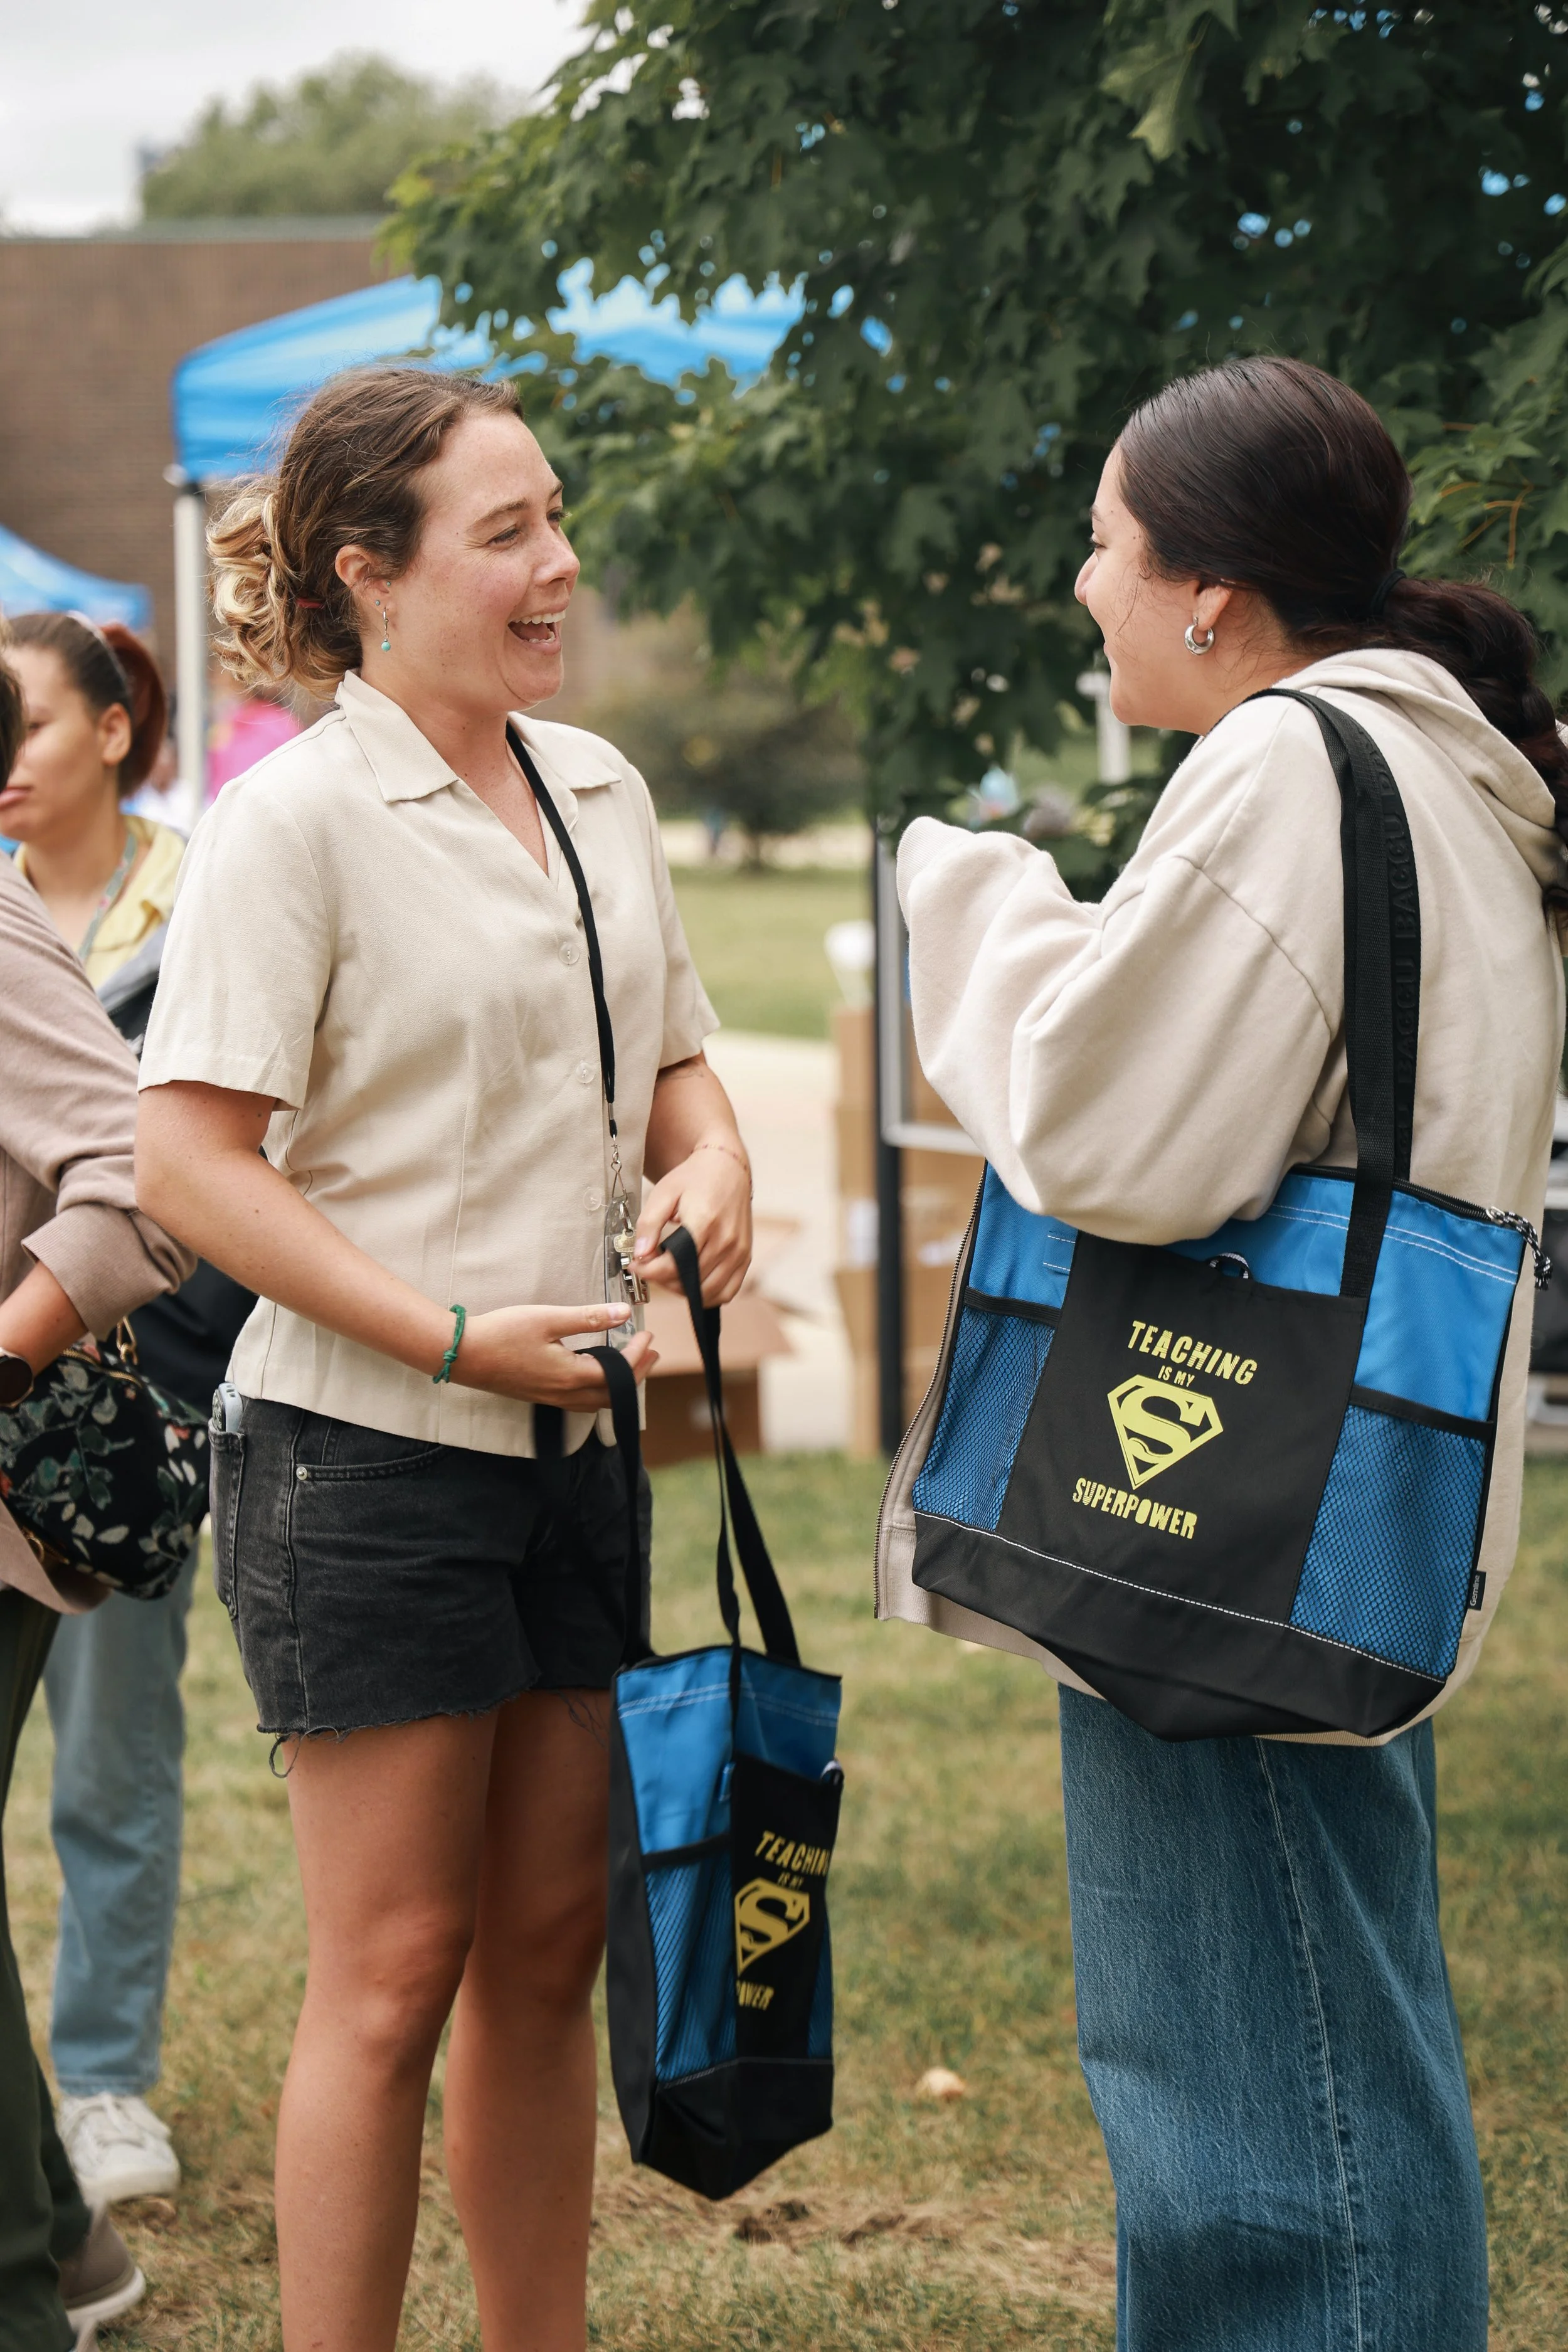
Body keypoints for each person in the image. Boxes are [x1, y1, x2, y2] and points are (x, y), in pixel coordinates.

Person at [892, 356, 1566, 2351]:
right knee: (1321, 2023)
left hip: (1219, 1513)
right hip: (1346, 1489)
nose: (1081, 581)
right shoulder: (1440, 760)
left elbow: (1115, 1132)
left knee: (1257, 2096)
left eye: (1103, 541)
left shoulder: (1288, 758)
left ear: (1208, 591)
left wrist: (981, 896)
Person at [134, 366, 754, 2352]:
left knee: (549, 1949)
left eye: (554, 516)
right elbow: (186, 1166)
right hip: (360, 1459)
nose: (558, 561)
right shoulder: (290, 823)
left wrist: (717, 1162)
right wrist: (456, 1333)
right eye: (507, 532)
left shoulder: (599, 791)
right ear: (365, 575)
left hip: (575, 1448)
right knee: (391, 1971)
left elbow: (670, 1068)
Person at [4, 611, 252, 2206]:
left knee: (111, 1747)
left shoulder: (212, 894)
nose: (4, 759)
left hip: (131, 1393)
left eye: (23, 722)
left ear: (108, 729)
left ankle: (100, 2081)